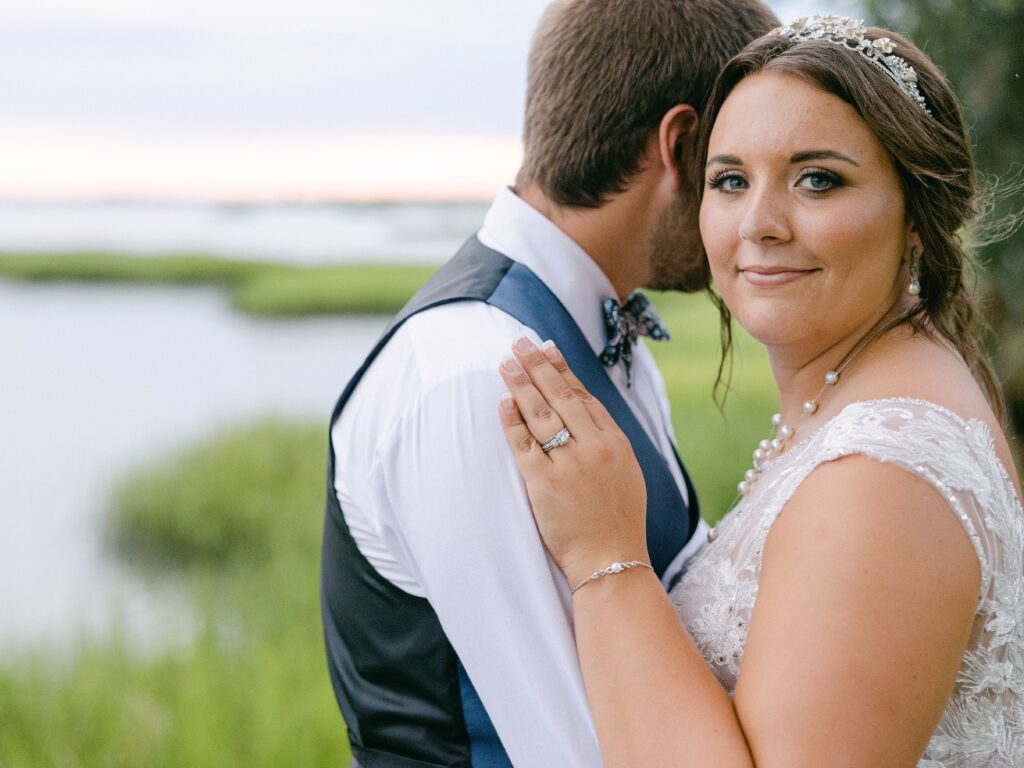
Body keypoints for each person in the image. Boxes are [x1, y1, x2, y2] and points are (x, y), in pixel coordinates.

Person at [496, 15, 1024, 767]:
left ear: (917, 213)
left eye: (818, 179)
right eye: (731, 180)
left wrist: (605, 556)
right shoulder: (879, 389)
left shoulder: (883, 476)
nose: (759, 223)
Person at [320, 1, 779, 766]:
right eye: (736, 171)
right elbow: (577, 746)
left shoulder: (589, 321)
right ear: (682, 147)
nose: (755, 212)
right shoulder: (477, 377)